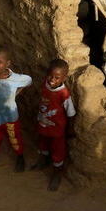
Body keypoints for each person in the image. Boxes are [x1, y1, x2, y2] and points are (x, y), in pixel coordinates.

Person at [0, 45, 32, 172]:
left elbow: (29, 81)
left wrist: (14, 94)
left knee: (15, 138)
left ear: (8, 64)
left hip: (10, 117)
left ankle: (20, 156)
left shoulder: (16, 79)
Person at [31, 59, 76, 191]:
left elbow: (71, 113)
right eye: (50, 75)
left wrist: (70, 129)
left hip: (57, 128)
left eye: (57, 77)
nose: (52, 79)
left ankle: (57, 173)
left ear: (64, 78)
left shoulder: (64, 94)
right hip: (44, 123)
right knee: (43, 142)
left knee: (58, 150)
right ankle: (43, 161)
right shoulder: (45, 84)